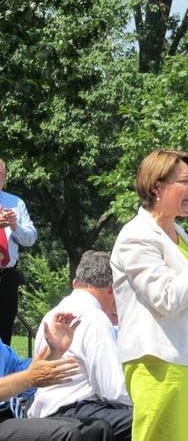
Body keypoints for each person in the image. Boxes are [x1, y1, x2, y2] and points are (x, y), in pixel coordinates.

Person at [110, 149, 188, 441]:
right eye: (184, 181)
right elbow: (166, 298)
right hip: (160, 366)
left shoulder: (181, 234)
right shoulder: (135, 236)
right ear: (157, 186)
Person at [28, 251, 132, 440]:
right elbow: (113, 391)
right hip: (75, 410)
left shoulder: (51, 314)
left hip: (45, 409)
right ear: (111, 288)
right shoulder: (95, 318)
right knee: (147, 419)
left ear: (76, 283)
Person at [1, 312, 114, 440]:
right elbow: (27, 377)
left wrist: (53, 351)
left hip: (8, 417)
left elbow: (18, 372)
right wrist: (29, 378)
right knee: (66, 434)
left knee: (99, 429)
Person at [0, 158, 37, 346]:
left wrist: (15, 226)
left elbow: (30, 239)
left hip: (7, 276)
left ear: (5, 178)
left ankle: (3, 374)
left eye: (0, 173)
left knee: (5, 334)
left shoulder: (15, 203)